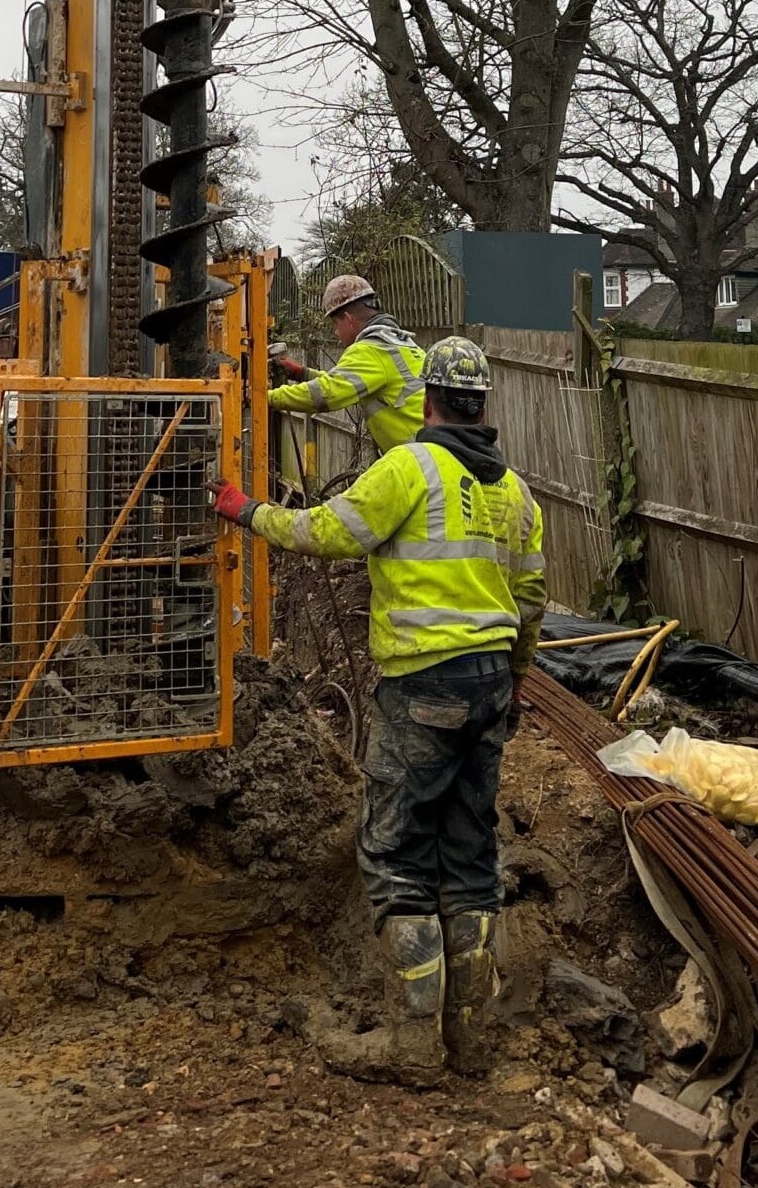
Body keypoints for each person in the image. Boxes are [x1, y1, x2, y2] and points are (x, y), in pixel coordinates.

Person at [212, 336, 545, 1082]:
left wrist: (246, 510)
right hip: (492, 689)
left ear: (427, 399)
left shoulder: (409, 468)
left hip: (424, 689)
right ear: (483, 403)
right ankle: (471, 1043)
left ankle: (413, 1044)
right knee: (469, 862)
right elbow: (531, 601)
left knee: (396, 860)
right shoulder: (517, 493)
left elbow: (325, 531)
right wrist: (516, 681)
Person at [268, 274, 426, 453]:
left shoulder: (370, 349)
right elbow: (342, 383)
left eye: (336, 324)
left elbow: (328, 393)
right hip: (432, 452)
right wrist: (300, 373)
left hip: (422, 458)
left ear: (349, 319)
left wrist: (267, 397)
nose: (336, 332)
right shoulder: (397, 342)